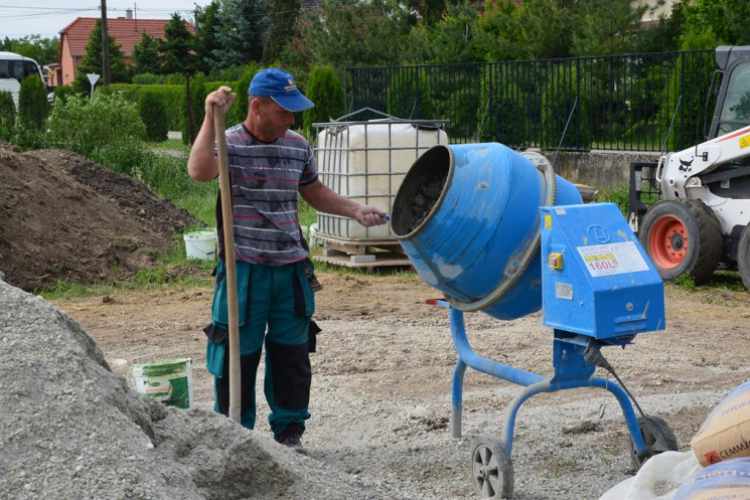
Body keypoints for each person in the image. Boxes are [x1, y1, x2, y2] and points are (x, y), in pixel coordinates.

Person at [187, 68, 387, 453]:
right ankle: (235, 434)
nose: (293, 119)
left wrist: (355, 210)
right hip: (244, 268)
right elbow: (198, 170)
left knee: (292, 356)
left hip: (291, 268)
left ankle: (289, 434)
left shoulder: (297, 145)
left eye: (294, 112)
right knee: (236, 354)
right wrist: (211, 118)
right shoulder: (230, 143)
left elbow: (314, 191)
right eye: (285, 112)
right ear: (257, 107)